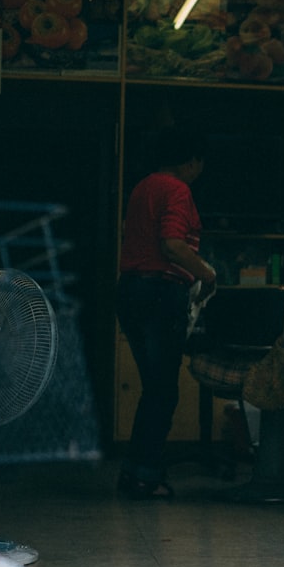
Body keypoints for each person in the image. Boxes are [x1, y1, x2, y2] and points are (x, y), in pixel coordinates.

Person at [116, 127, 217, 499]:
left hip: (130, 291)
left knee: (153, 389)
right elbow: (172, 244)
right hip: (159, 292)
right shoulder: (177, 189)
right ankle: (144, 477)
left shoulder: (143, 186)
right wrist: (206, 274)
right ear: (191, 161)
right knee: (162, 392)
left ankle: (133, 472)